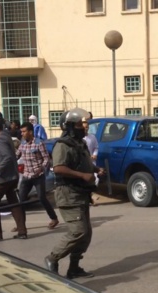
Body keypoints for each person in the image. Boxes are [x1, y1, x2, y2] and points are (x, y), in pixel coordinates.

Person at [44, 107, 105, 279]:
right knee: (78, 231)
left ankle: (74, 268)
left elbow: (82, 163)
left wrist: (95, 169)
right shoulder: (62, 145)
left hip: (81, 193)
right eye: (80, 124)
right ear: (69, 127)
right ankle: (52, 258)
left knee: (86, 234)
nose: (84, 127)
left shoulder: (81, 143)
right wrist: (83, 175)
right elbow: (59, 168)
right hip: (68, 194)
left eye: (84, 124)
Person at [16, 122, 59, 230]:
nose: (22, 134)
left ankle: (54, 218)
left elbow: (46, 159)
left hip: (38, 176)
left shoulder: (39, 143)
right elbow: (17, 155)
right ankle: (21, 225)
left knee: (41, 198)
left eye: (24, 131)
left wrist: (41, 168)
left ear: (30, 132)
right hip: (26, 176)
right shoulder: (22, 144)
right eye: (21, 132)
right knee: (21, 201)